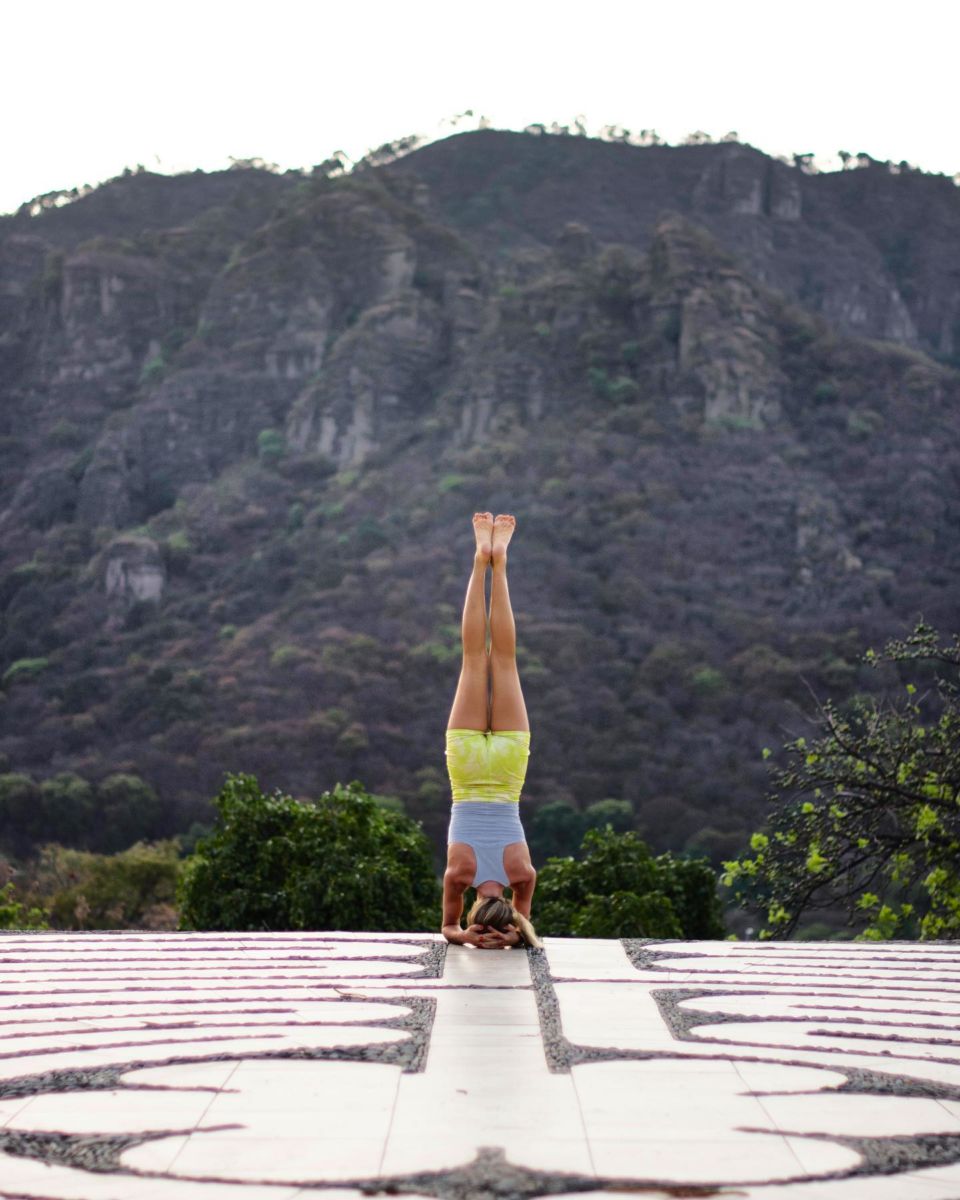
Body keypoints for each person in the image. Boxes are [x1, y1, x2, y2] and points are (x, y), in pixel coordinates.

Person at [441, 512, 542, 949]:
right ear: (472, 911)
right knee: (472, 658)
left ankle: (497, 560)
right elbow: (448, 930)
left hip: (506, 769)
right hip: (466, 770)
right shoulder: (457, 874)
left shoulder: (523, 874)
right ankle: (480, 559)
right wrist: (464, 936)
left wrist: (510, 936)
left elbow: (526, 928)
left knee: (503, 659)